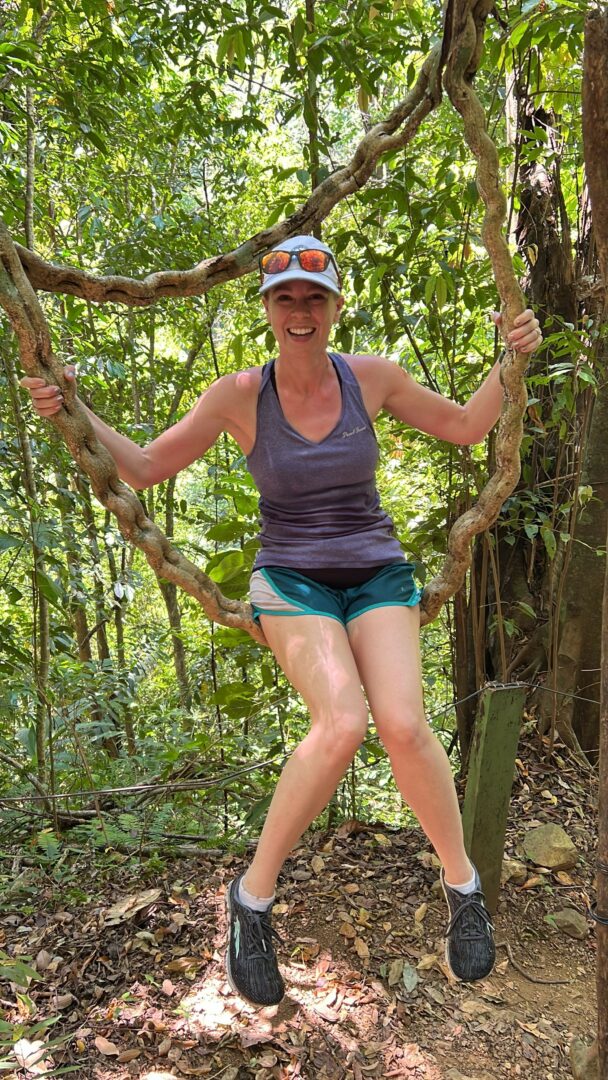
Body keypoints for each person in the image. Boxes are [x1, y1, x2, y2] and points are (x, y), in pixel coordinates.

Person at [22, 235, 542, 1009]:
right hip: (292, 583)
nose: (301, 309)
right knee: (342, 723)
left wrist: (511, 358)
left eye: (314, 296)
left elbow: (467, 426)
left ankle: (462, 887)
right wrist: (72, 406)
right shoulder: (237, 395)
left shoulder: (372, 377)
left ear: (335, 307)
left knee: (404, 725)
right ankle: (252, 898)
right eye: (285, 297)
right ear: (267, 309)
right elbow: (147, 466)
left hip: (375, 575)